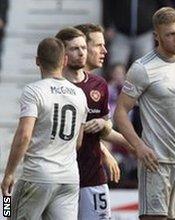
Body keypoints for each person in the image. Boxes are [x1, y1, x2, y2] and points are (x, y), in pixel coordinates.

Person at [113, 7, 175, 220]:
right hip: (156, 161)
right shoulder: (142, 68)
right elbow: (120, 113)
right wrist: (139, 146)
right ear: (156, 36)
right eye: (171, 34)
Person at [1, 37, 88, 219]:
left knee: (9, 212)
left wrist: (9, 173)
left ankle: (5, 208)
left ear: (37, 61)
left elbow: (24, 135)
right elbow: (79, 142)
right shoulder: (80, 94)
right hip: (69, 178)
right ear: (64, 60)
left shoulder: (33, 91)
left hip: (38, 175)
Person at [55, 26, 118, 220]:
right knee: (9, 212)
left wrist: (135, 147)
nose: (104, 51)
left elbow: (103, 127)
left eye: (83, 47)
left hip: (93, 177)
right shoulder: (52, 88)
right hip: (60, 178)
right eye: (98, 45)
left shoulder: (99, 84)